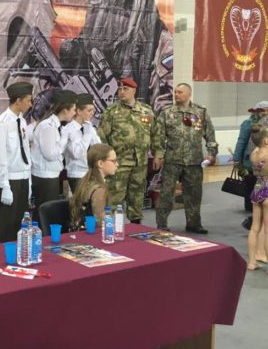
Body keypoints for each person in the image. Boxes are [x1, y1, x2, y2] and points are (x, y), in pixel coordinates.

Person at [152, 83, 217, 234]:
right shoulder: (167, 113)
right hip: (172, 161)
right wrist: (158, 155)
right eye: (175, 92)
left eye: (180, 92)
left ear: (189, 93)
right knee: (166, 194)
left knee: (194, 194)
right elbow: (158, 137)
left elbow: (210, 135)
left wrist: (212, 153)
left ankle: (194, 224)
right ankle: (161, 224)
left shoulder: (200, 112)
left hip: (194, 161)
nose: (176, 94)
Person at [98, 77, 160, 224]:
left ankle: (135, 226)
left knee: (137, 197)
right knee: (113, 197)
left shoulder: (146, 110)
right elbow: (101, 137)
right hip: (119, 163)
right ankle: (108, 228)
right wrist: (108, 159)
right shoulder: (111, 112)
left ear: (134, 91)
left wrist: (158, 154)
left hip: (140, 163)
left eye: (125, 89)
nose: (121, 92)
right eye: (119, 89)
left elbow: (156, 133)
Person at [0, 81, 33, 243]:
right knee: (7, 223)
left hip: (23, 177)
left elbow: (26, 150)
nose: (30, 104)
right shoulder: (1, 123)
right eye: (28, 100)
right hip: (11, 180)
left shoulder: (21, 121)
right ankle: (3, 251)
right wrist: (5, 186)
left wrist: (29, 181)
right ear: (18, 100)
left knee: (20, 222)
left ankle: (19, 251)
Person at [30, 90, 76, 217]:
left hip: (51, 175)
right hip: (45, 177)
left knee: (49, 213)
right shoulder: (48, 126)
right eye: (73, 109)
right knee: (45, 214)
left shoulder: (55, 125)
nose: (75, 113)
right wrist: (64, 138)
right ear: (65, 110)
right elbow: (50, 154)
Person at [233, 101, 268, 232]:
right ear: (257, 111)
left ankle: (255, 217)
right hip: (250, 161)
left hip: (264, 162)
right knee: (251, 188)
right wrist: (237, 159)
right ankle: (252, 216)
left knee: (259, 190)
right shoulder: (248, 123)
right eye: (263, 110)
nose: (265, 113)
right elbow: (241, 141)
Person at [69, 144, 118, 227]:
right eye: (114, 161)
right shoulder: (98, 190)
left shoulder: (85, 181)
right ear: (100, 163)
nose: (117, 164)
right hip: (92, 233)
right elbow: (101, 224)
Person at [64, 93, 101, 194]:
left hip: (91, 173)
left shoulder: (89, 127)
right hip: (77, 174)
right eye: (89, 110)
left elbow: (98, 147)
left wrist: (90, 131)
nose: (92, 113)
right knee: (80, 202)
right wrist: (87, 134)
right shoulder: (69, 129)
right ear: (79, 111)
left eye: (93, 110)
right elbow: (77, 154)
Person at [247, 126, 268, 271]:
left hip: (257, 190)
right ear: (266, 141)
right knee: (267, 231)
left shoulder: (254, 154)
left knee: (254, 229)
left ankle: (251, 262)